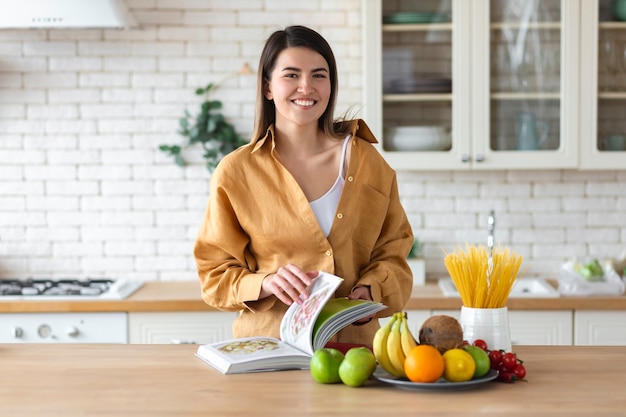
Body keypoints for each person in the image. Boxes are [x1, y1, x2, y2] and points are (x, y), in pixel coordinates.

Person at [194, 25, 413, 345]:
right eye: (292, 75)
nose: (306, 87)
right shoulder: (235, 172)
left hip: (354, 353)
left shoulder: (367, 161)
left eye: (319, 75)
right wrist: (265, 283)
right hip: (269, 351)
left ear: (331, 85)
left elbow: (394, 251)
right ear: (268, 87)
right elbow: (214, 276)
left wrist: (372, 289)